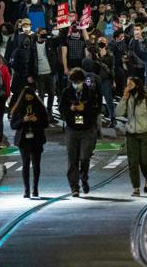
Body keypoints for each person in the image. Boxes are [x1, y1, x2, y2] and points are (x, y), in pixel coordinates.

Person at [60, 67, 100, 197]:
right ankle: (74, 187)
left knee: (84, 157)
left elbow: (97, 110)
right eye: (73, 82)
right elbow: (61, 109)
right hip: (72, 129)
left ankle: (84, 177)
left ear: (82, 81)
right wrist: (70, 109)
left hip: (87, 129)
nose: (76, 84)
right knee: (72, 158)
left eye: (78, 82)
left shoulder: (90, 93)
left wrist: (85, 108)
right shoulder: (66, 92)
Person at [117, 77, 147, 196]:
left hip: (145, 135)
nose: (128, 87)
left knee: (144, 161)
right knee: (133, 162)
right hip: (131, 135)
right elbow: (118, 113)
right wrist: (124, 98)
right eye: (127, 85)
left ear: (137, 86)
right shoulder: (127, 99)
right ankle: (136, 188)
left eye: (130, 85)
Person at [10, 86, 49, 198]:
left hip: (37, 138)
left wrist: (37, 120)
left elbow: (45, 123)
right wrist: (23, 120)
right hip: (23, 139)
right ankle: (26, 189)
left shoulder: (39, 107)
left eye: (30, 97)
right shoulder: (19, 108)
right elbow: (13, 125)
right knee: (25, 164)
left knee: (36, 165)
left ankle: (35, 188)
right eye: (26, 98)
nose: (29, 100)